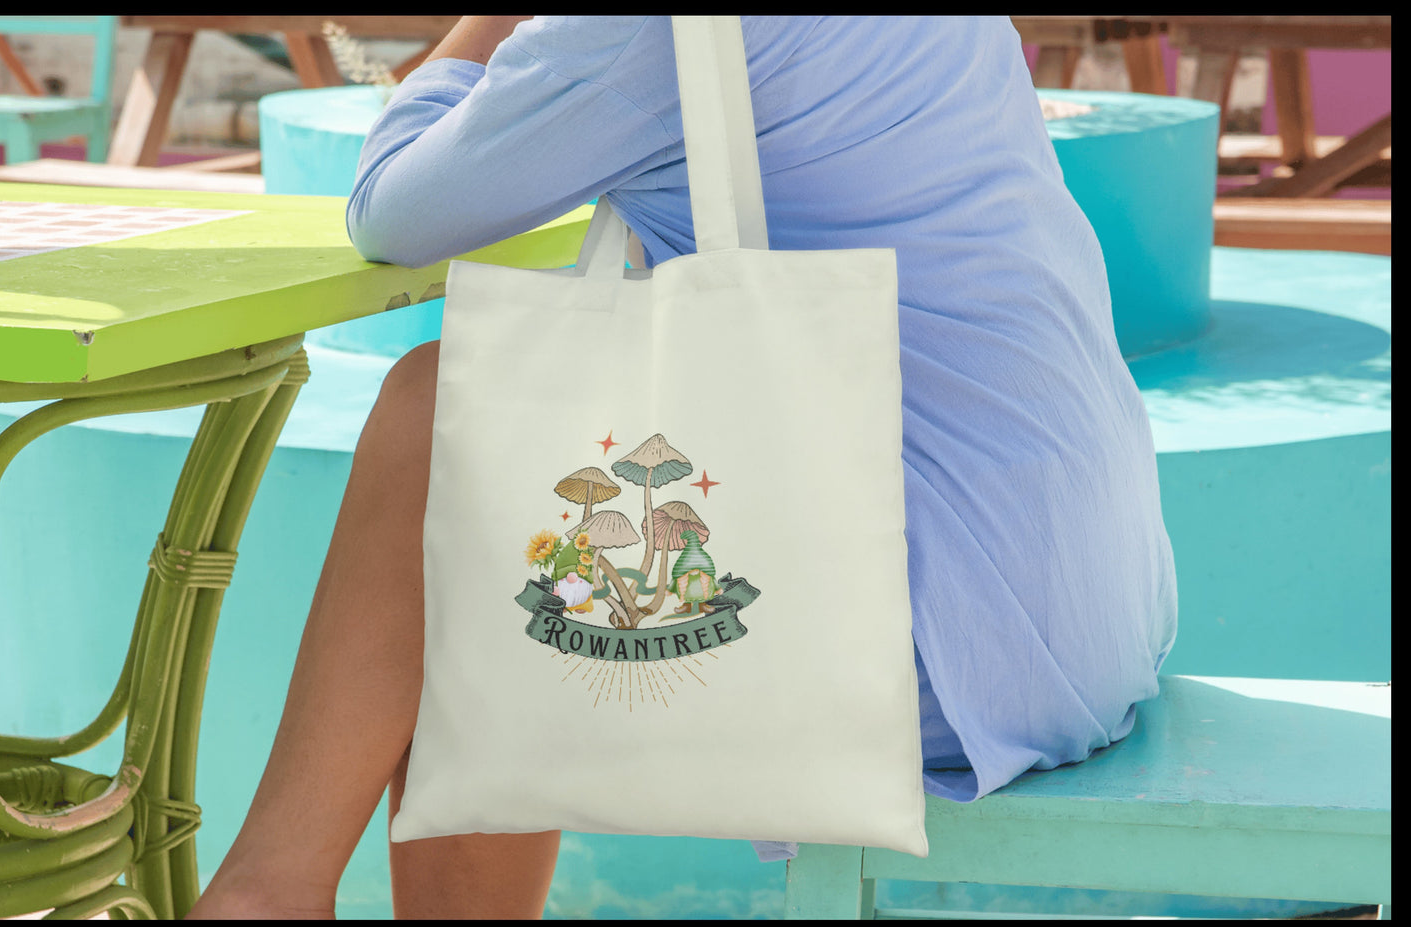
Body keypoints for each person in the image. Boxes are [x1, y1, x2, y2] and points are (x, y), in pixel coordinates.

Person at [188, 15, 1177, 920]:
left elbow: (391, 212)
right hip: (1080, 599)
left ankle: (270, 886)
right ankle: (273, 886)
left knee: (444, 413)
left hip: (932, 637)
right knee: (488, 530)